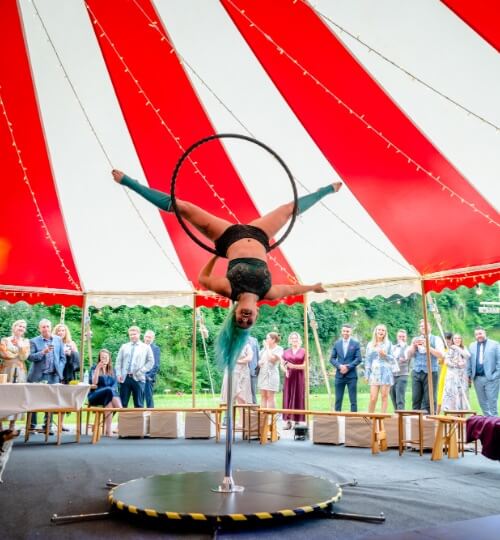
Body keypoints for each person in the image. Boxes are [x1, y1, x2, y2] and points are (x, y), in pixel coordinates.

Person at [112, 170, 340, 330]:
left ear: (235, 312)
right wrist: (313, 287)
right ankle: (326, 190)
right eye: (248, 323)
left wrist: (215, 254)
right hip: (259, 235)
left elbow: (203, 279)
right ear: (256, 315)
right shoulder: (267, 293)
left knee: (183, 207)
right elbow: (291, 289)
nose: (245, 320)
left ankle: (130, 182)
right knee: (289, 209)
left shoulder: (229, 290)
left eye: (239, 321)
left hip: (227, 237)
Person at [27, 319, 66, 433]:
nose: (46, 329)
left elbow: (62, 358)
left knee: (51, 401)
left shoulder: (58, 340)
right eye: (43, 327)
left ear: (51, 327)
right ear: (39, 329)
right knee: (34, 401)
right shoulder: (34, 341)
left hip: (53, 376)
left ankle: (47, 426)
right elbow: (30, 357)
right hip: (38, 376)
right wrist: (43, 352)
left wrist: (59, 369)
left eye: (47, 326)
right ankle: (32, 425)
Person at [407, 320, 444, 413]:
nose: (423, 327)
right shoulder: (415, 339)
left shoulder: (436, 339)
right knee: (415, 398)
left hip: (431, 372)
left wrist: (427, 346)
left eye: (425, 326)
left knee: (429, 399)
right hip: (417, 371)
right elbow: (408, 355)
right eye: (421, 326)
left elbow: (441, 355)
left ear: (430, 327)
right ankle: (416, 421)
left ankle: (429, 421)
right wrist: (413, 346)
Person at [0, 320, 31, 429]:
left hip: (20, 372)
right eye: (19, 326)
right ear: (14, 327)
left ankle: (12, 425)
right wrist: (18, 353)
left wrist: (19, 347)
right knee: (3, 396)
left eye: (23, 327)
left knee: (17, 397)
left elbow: (24, 357)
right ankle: (0, 426)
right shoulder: (5, 340)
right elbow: (3, 353)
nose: (21, 328)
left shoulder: (26, 341)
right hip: (6, 371)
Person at [115, 326, 154, 408]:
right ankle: (122, 421)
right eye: (130, 335)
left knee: (139, 404)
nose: (132, 336)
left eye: (134, 334)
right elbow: (118, 362)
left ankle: (139, 421)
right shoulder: (124, 346)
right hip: (125, 378)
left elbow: (151, 362)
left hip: (138, 378)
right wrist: (118, 374)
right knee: (122, 404)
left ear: (139, 334)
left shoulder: (145, 347)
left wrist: (141, 371)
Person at [88, 349, 122, 436]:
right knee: (108, 390)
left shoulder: (112, 370)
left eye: (106, 357)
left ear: (109, 358)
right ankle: (122, 411)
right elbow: (94, 383)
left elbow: (115, 386)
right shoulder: (94, 368)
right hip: (95, 395)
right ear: (99, 358)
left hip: (108, 397)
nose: (104, 359)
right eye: (102, 357)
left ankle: (108, 430)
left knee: (109, 400)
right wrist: (97, 369)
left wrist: (112, 390)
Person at [467, 328, 500, 416]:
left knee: (492, 402)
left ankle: (495, 424)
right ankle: (488, 423)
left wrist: (495, 375)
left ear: (485, 333)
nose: (479, 336)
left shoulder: (495, 344)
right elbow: (469, 361)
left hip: (491, 379)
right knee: (482, 402)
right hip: (477, 379)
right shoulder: (472, 346)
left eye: (480, 333)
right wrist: (469, 375)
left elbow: (499, 361)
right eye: (476, 334)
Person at [365, 324, 396, 413]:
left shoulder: (389, 344)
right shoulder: (370, 344)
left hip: (385, 372)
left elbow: (393, 359)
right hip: (374, 373)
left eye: (383, 330)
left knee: (384, 396)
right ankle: (370, 417)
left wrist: (385, 355)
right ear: (376, 331)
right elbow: (367, 360)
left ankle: (382, 418)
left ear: (385, 333)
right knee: (373, 397)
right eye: (379, 330)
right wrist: (367, 374)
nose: (381, 332)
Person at [329, 324, 361, 412]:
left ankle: (354, 420)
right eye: (344, 331)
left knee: (353, 400)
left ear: (351, 332)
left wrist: (347, 367)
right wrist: (339, 366)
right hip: (339, 376)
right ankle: (337, 420)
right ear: (341, 332)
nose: (345, 333)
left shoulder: (355, 343)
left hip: (352, 376)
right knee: (338, 400)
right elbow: (332, 358)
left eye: (347, 331)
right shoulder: (337, 343)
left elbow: (358, 359)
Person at [281, 332, 306, 429]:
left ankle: (297, 421)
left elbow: (305, 366)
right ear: (290, 340)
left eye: (296, 338)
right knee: (288, 397)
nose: (294, 340)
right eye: (292, 338)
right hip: (289, 377)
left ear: (299, 339)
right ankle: (288, 421)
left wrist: (294, 366)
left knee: (298, 397)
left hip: (299, 376)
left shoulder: (304, 351)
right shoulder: (286, 351)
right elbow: (282, 364)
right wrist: (285, 370)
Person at [441, 334, 471, 411]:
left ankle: (462, 415)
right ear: (453, 340)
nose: (457, 339)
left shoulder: (464, 348)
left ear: (461, 340)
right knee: (452, 393)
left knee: (462, 393)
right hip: (452, 375)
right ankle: (452, 413)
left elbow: (467, 356)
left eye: (459, 338)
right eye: (455, 338)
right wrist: (455, 364)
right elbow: (446, 361)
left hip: (462, 376)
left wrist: (457, 348)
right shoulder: (450, 349)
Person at [220, 341, 253, 406]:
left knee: (242, 396)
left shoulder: (246, 346)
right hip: (231, 372)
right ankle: (229, 415)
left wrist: (238, 361)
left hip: (243, 373)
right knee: (229, 395)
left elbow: (249, 358)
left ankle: (242, 416)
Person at [257, 332, 283, 409]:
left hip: (272, 375)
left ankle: (272, 419)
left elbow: (272, 359)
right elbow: (259, 360)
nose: (266, 340)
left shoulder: (279, 349)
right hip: (263, 374)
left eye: (268, 338)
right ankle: (263, 418)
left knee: (270, 396)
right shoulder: (263, 350)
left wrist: (267, 348)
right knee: (263, 396)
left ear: (273, 340)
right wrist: (259, 363)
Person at [390, 329, 410, 411]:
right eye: (400, 336)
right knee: (393, 396)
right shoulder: (393, 348)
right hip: (392, 375)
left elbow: (408, 357)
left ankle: (401, 417)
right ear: (397, 337)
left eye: (403, 336)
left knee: (400, 397)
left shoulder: (408, 348)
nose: (401, 338)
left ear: (406, 337)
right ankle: (397, 415)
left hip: (402, 374)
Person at [143, 330, 161, 408]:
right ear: (144, 337)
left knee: (149, 398)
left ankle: (151, 416)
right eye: (146, 337)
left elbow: (156, 365)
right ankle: (139, 417)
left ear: (153, 338)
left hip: (148, 378)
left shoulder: (156, 349)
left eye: (150, 337)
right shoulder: (140, 346)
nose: (148, 339)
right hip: (138, 376)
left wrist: (149, 376)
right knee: (139, 398)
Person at [437, 332, 453, 413]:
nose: (447, 341)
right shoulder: (442, 350)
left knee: (451, 394)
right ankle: (437, 413)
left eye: (449, 339)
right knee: (441, 392)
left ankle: (450, 412)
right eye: (445, 339)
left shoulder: (454, 349)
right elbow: (440, 361)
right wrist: (444, 355)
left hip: (453, 374)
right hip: (444, 373)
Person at [247, 335, 260, 404]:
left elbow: (258, 355)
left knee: (253, 391)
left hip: (253, 369)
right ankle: (244, 411)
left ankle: (254, 410)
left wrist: (258, 367)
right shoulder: (237, 340)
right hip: (241, 370)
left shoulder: (254, 340)